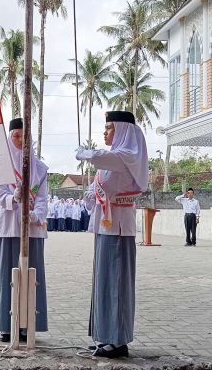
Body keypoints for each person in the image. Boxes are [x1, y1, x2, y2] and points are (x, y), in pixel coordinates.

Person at [75, 110, 148, 358]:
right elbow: (97, 188)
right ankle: (106, 334)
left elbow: (96, 157)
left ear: (122, 130)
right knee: (104, 281)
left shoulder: (126, 156)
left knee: (115, 282)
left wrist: (82, 152)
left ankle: (117, 341)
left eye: (109, 128)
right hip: (105, 227)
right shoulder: (115, 159)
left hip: (117, 229)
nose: (104, 133)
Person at [0, 118, 49, 343]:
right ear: (10, 137)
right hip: (8, 228)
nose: (20, 140)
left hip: (32, 230)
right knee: (7, 276)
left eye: (24, 136)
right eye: (16, 136)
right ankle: (6, 326)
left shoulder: (41, 169)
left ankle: (29, 325)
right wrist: (12, 198)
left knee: (31, 277)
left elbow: (43, 199)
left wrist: (34, 215)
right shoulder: (2, 166)